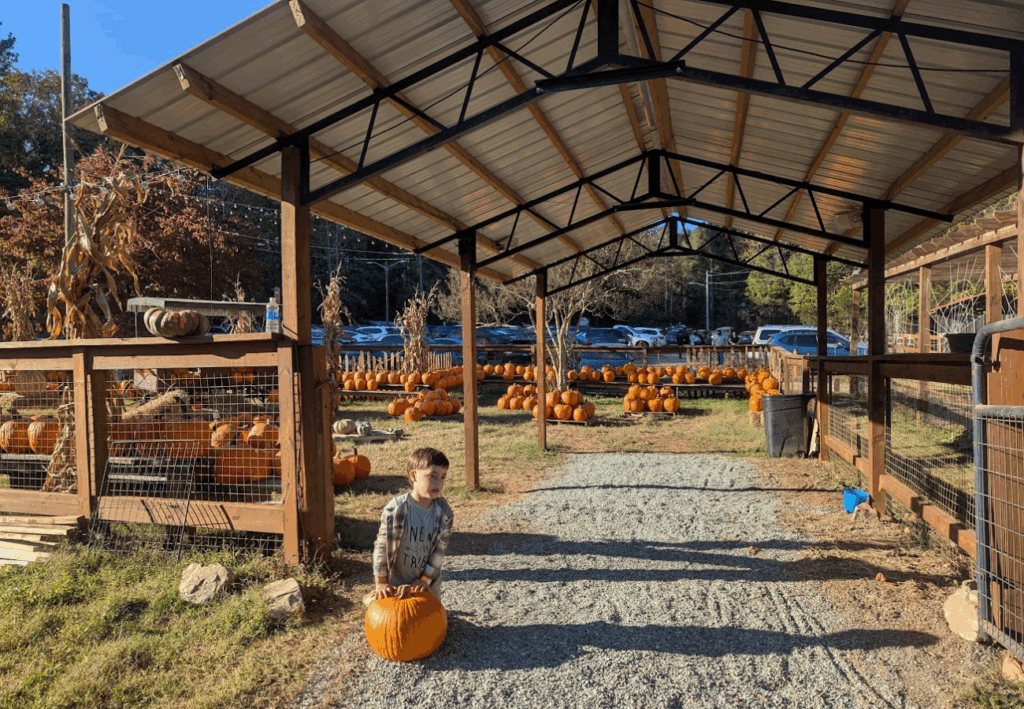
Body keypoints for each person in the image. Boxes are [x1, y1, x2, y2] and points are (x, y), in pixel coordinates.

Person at [371, 447, 454, 602]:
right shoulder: (396, 509)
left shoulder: (444, 514)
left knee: (430, 622)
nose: (439, 483)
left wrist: (425, 580)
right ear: (414, 476)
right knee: (392, 621)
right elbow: (382, 547)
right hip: (395, 582)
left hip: (427, 582)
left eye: (443, 477)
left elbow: (438, 552)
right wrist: (381, 582)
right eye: (433, 476)